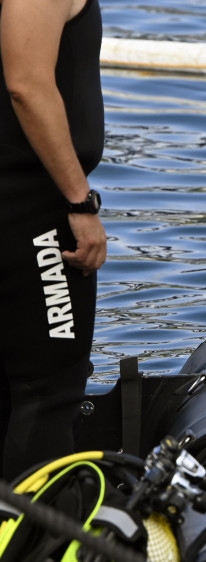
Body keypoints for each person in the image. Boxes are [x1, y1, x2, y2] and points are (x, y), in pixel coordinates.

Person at [0, 0, 107, 479]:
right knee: (47, 389)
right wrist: (80, 203)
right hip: (31, 203)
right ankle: (37, 548)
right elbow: (27, 84)